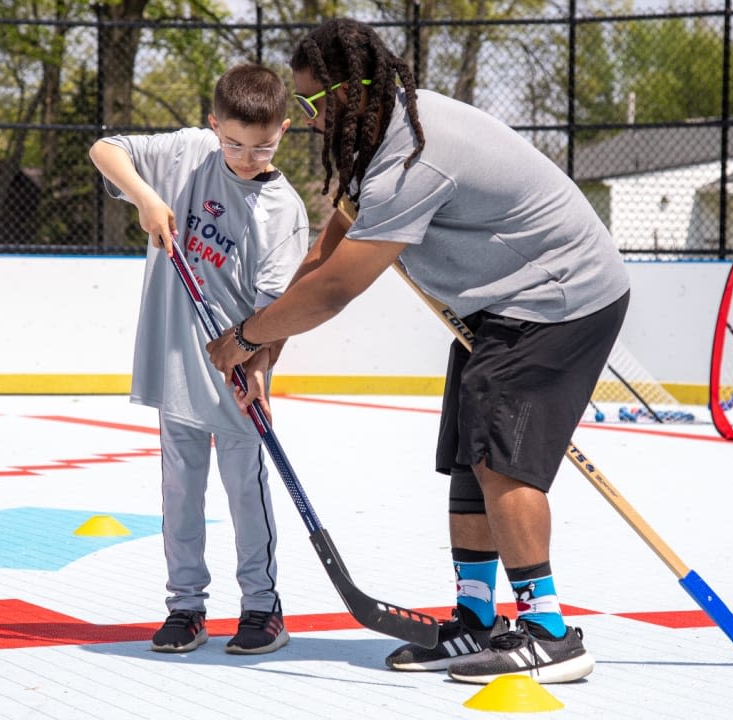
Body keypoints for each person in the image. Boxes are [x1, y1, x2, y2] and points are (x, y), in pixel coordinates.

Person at [206, 18, 629, 685]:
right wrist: (269, 348)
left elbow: (341, 286)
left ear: (348, 92)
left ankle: (550, 632)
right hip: (499, 307)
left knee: (502, 463)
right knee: (472, 457)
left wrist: (242, 337)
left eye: (313, 103)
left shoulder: (411, 156)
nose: (309, 121)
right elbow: (326, 251)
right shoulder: (379, 136)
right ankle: (474, 620)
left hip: (556, 299)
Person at [89, 63, 308, 655]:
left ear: (285, 130)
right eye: (233, 143)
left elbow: (275, 314)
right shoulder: (188, 154)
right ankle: (186, 606)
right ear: (214, 126)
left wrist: (258, 367)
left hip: (233, 375)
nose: (245, 156)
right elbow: (105, 149)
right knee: (180, 491)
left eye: (262, 146)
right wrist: (146, 199)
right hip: (176, 366)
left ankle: (263, 606)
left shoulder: (282, 210)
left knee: (245, 490)